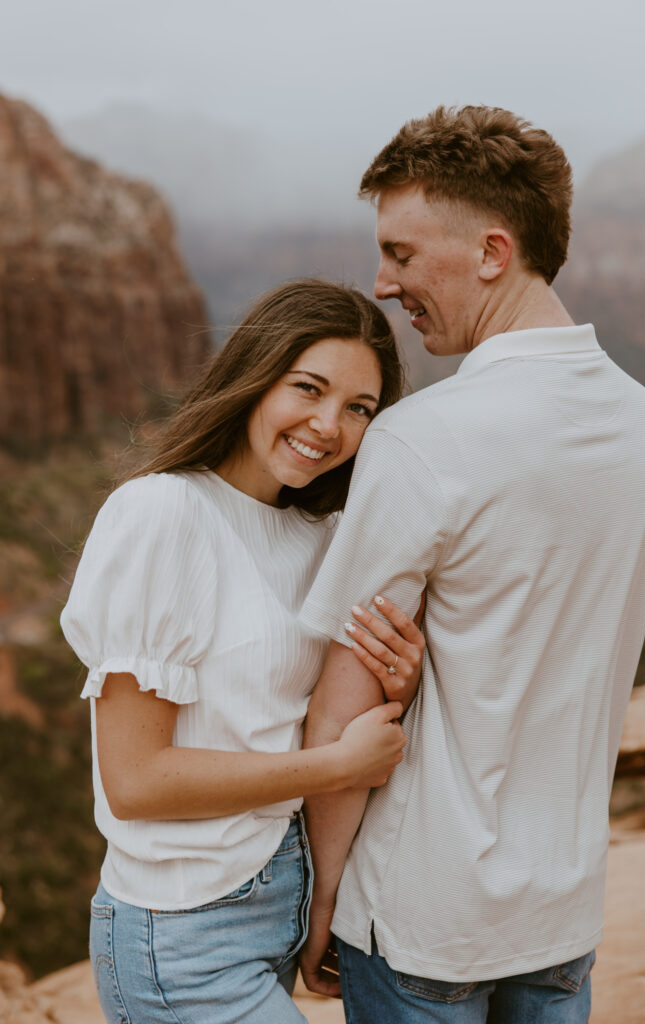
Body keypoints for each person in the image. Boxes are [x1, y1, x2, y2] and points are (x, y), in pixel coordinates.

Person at [298, 107, 645, 1023]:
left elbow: (346, 704)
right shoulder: (642, 423)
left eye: (401, 253)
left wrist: (322, 903)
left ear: (492, 252)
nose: (384, 284)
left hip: (423, 919)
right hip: (561, 920)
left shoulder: (422, 440)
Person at [60, 278, 427, 1024]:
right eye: (308, 388)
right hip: (181, 933)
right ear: (256, 375)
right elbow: (134, 780)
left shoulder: (321, 536)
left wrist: (401, 681)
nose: (328, 425)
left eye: (358, 408)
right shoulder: (164, 512)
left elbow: (306, 712)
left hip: (277, 901)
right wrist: (334, 766)